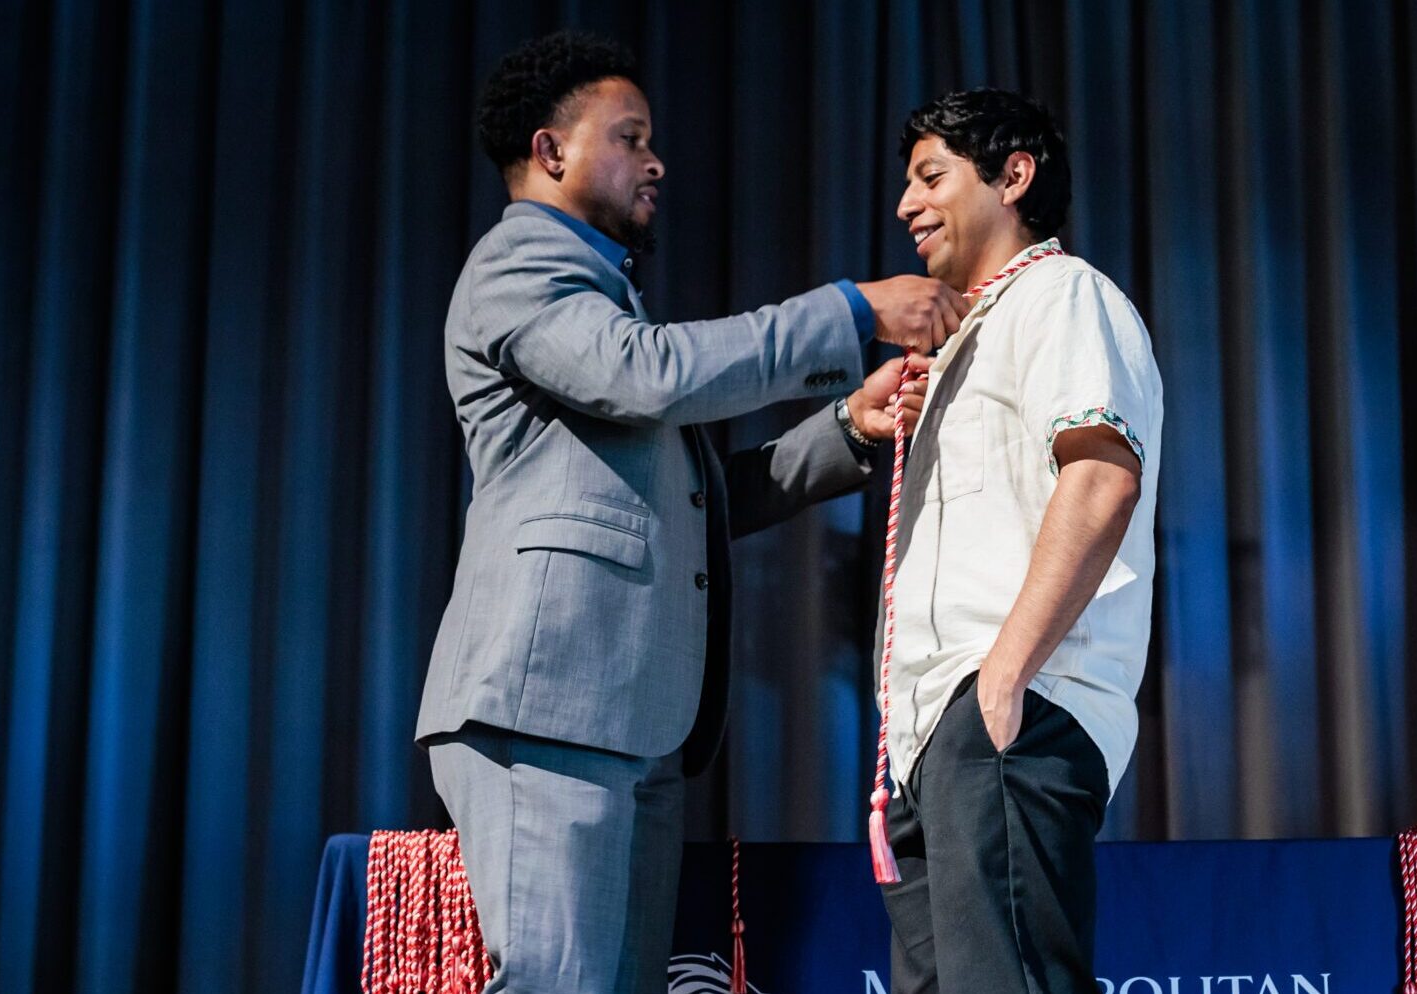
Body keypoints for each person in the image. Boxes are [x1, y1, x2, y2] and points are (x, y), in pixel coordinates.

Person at [412, 31, 964, 993]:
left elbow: (702, 498)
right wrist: (849, 309)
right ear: (550, 153)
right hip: (548, 711)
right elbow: (650, 375)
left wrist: (850, 427)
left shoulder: (602, 300)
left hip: (633, 721)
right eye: (630, 137)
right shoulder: (518, 266)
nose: (656, 158)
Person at [872, 87, 1164, 994]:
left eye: (931, 177)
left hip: (1008, 708)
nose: (906, 206)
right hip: (934, 738)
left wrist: (1002, 677)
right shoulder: (967, 335)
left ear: (1014, 176)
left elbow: (1102, 473)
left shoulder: (1062, 294)